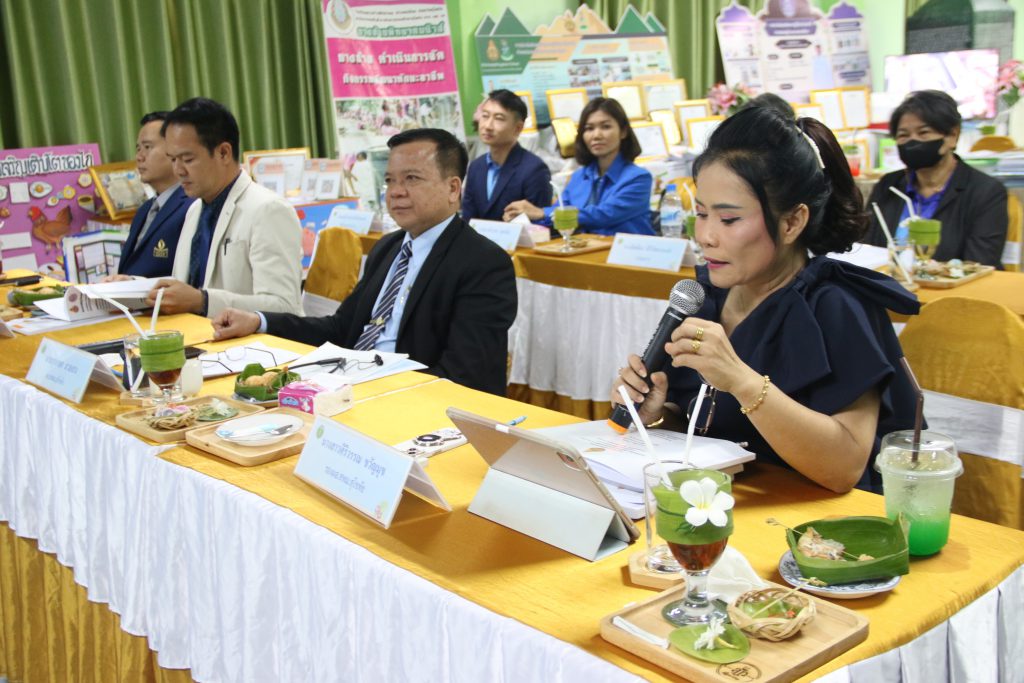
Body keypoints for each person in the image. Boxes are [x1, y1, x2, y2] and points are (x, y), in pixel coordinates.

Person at [612, 106, 921, 494]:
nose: (706, 236)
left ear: (792, 222)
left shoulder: (836, 307)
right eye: (701, 214)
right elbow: (707, 428)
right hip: (719, 503)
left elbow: (844, 468)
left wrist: (742, 381)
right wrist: (659, 415)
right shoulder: (705, 298)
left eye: (728, 220)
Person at [210, 129, 518, 396]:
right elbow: (342, 327)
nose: (396, 192)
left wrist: (370, 389)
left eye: (411, 179)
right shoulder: (389, 248)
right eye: (390, 180)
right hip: (350, 386)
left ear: (453, 188)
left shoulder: (483, 263)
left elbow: (464, 377)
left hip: (408, 401)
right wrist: (259, 320)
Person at [147, 97, 303, 317]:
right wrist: (138, 288)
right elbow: (187, 286)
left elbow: (285, 307)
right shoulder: (195, 209)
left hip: (247, 339)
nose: (178, 171)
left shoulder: (268, 210)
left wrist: (203, 301)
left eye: (187, 159)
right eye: (173, 160)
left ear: (224, 153)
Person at [865, 90, 1008, 266]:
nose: (912, 142)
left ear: (952, 136)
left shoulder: (985, 192)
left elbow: (980, 263)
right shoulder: (888, 186)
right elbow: (865, 247)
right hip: (888, 281)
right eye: (903, 135)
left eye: (923, 132)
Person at [503, 97, 653, 235]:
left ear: (623, 132)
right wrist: (523, 218)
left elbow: (604, 215)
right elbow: (557, 214)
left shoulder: (638, 178)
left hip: (627, 253)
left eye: (606, 127)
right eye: (589, 128)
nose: (596, 135)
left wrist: (541, 212)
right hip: (586, 251)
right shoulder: (579, 176)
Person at [117, 111, 194, 277]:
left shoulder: (193, 206)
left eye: (147, 147)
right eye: (138, 148)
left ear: (174, 150)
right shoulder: (144, 210)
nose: (139, 157)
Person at [462, 89, 552, 222]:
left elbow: (540, 225)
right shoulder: (476, 167)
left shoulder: (533, 169)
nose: (488, 126)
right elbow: (468, 219)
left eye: (499, 118)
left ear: (518, 128)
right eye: (485, 116)